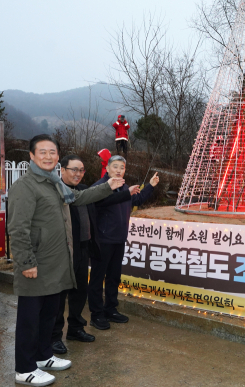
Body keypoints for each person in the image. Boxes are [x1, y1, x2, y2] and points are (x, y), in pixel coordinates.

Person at [8, 134, 125, 386]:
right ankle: (24, 369)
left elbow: (80, 198)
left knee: (49, 315)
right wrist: (26, 263)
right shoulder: (25, 186)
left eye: (52, 152)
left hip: (56, 264)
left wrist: (107, 186)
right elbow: (18, 229)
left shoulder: (55, 184)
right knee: (30, 319)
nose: (48, 156)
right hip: (36, 264)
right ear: (32, 155)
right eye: (42, 152)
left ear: (58, 157)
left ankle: (43, 356)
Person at [51, 155, 141, 355]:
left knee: (80, 291)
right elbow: (105, 200)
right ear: (62, 170)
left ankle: (75, 329)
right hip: (65, 249)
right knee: (60, 294)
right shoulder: (56, 191)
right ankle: (54, 336)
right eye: (73, 170)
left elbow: (101, 200)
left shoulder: (84, 190)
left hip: (85, 247)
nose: (78, 174)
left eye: (81, 170)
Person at [88, 155, 160, 330]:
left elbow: (136, 200)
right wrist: (126, 193)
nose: (119, 170)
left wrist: (150, 186)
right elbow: (102, 202)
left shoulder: (124, 187)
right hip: (102, 240)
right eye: (115, 166)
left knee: (114, 277)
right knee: (97, 278)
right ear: (107, 168)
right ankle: (96, 315)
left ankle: (110, 309)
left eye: (122, 167)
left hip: (119, 239)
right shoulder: (99, 187)